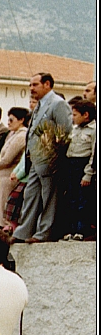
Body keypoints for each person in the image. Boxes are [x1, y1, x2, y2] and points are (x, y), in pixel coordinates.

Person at [14, 72, 73, 243]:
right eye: (30, 85)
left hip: (49, 159)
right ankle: (23, 232)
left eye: (35, 85)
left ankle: (44, 232)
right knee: (30, 194)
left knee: (49, 197)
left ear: (47, 84)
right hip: (34, 159)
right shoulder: (40, 105)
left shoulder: (58, 104)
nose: (31, 89)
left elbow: (65, 132)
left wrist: (55, 155)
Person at [0, 107, 29, 228]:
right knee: (0, 208)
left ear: (21, 120)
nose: (9, 123)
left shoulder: (22, 135)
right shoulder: (13, 134)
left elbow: (8, 158)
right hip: (4, 175)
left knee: (5, 210)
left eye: (12, 120)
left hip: (10, 176)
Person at [62, 100, 96, 240]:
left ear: (86, 115)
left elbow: (94, 153)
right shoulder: (75, 129)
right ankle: (71, 228)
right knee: (71, 199)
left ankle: (82, 230)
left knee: (83, 201)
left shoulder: (94, 130)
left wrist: (88, 174)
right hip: (71, 165)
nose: (72, 118)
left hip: (83, 165)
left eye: (75, 114)